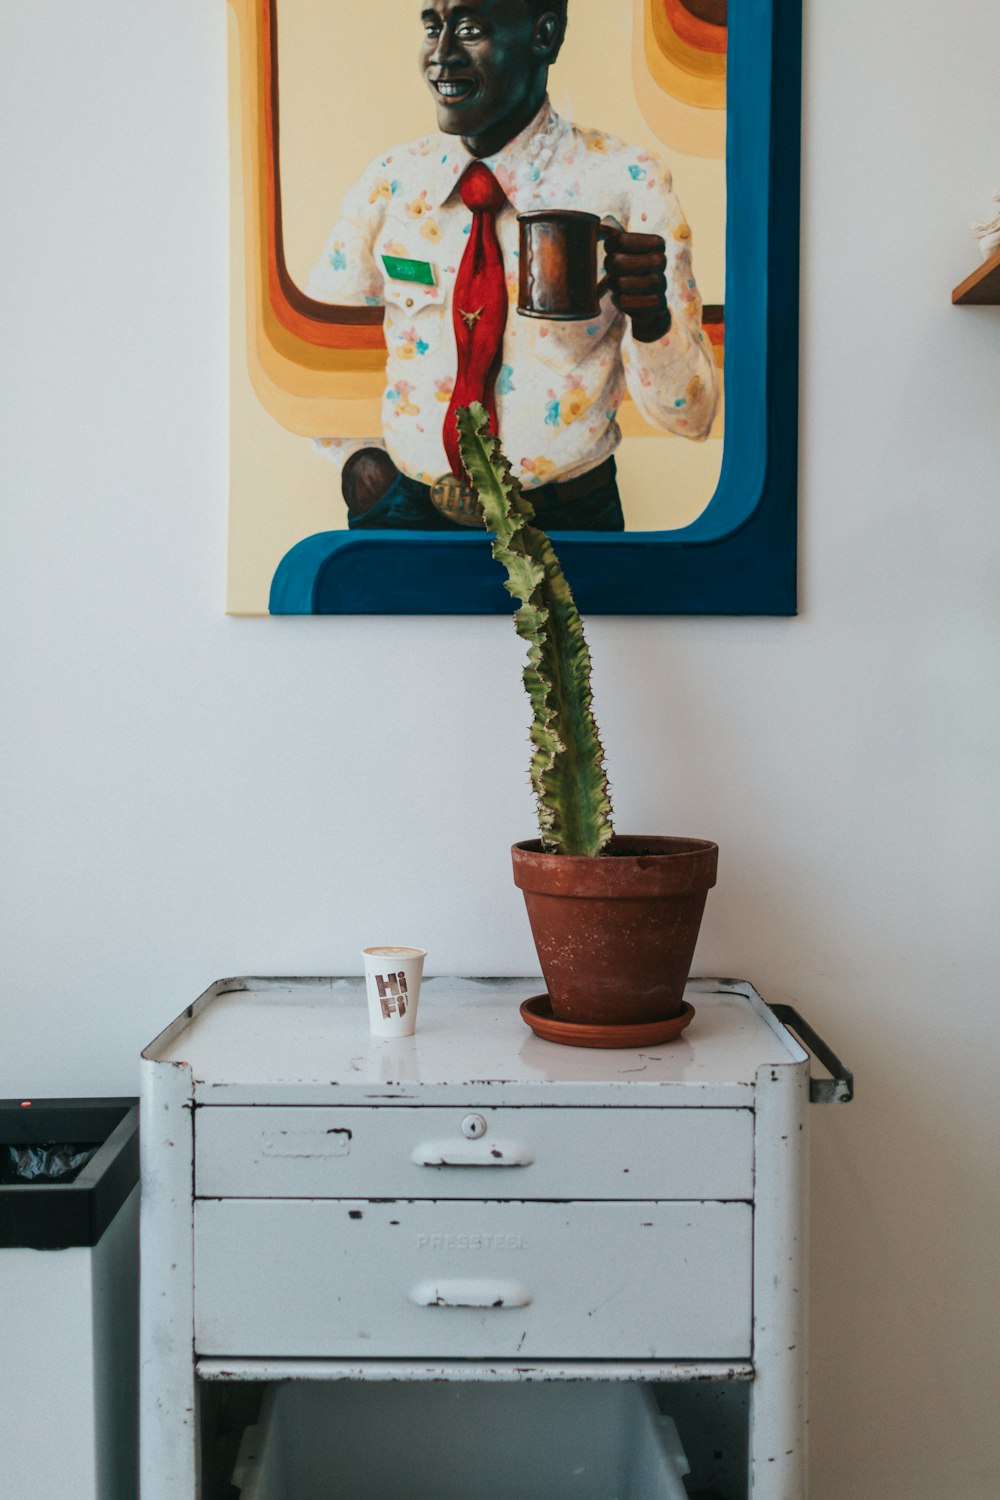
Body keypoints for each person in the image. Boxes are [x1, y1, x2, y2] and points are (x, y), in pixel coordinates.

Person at [307, 0, 719, 531]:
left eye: (470, 29)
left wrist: (652, 320)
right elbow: (317, 355)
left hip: (568, 526)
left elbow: (693, 415)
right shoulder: (390, 183)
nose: (441, 55)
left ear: (544, 36)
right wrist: (358, 467)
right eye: (433, 28)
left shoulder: (625, 181)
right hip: (408, 515)